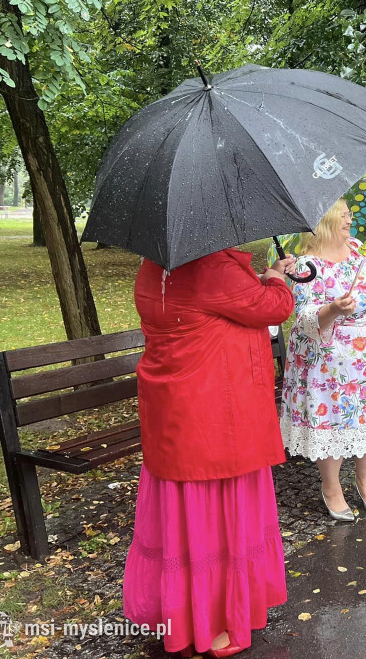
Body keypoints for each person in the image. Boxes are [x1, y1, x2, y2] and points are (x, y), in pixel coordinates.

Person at [124, 246, 295, 658]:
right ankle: (215, 624)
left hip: (173, 411)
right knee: (218, 518)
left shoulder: (153, 266)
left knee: (182, 522)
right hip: (216, 418)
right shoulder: (213, 268)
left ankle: (180, 616)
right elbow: (274, 307)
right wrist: (276, 276)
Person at [280, 199, 366, 520]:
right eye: (344, 215)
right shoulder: (307, 266)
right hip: (328, 361)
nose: (350, 220)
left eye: (350, 214)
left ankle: (365, 482)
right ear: (325, 221)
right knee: (334, 421)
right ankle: (332, 488)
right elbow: (303, 318)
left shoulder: (358, 249)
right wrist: (334, 309)